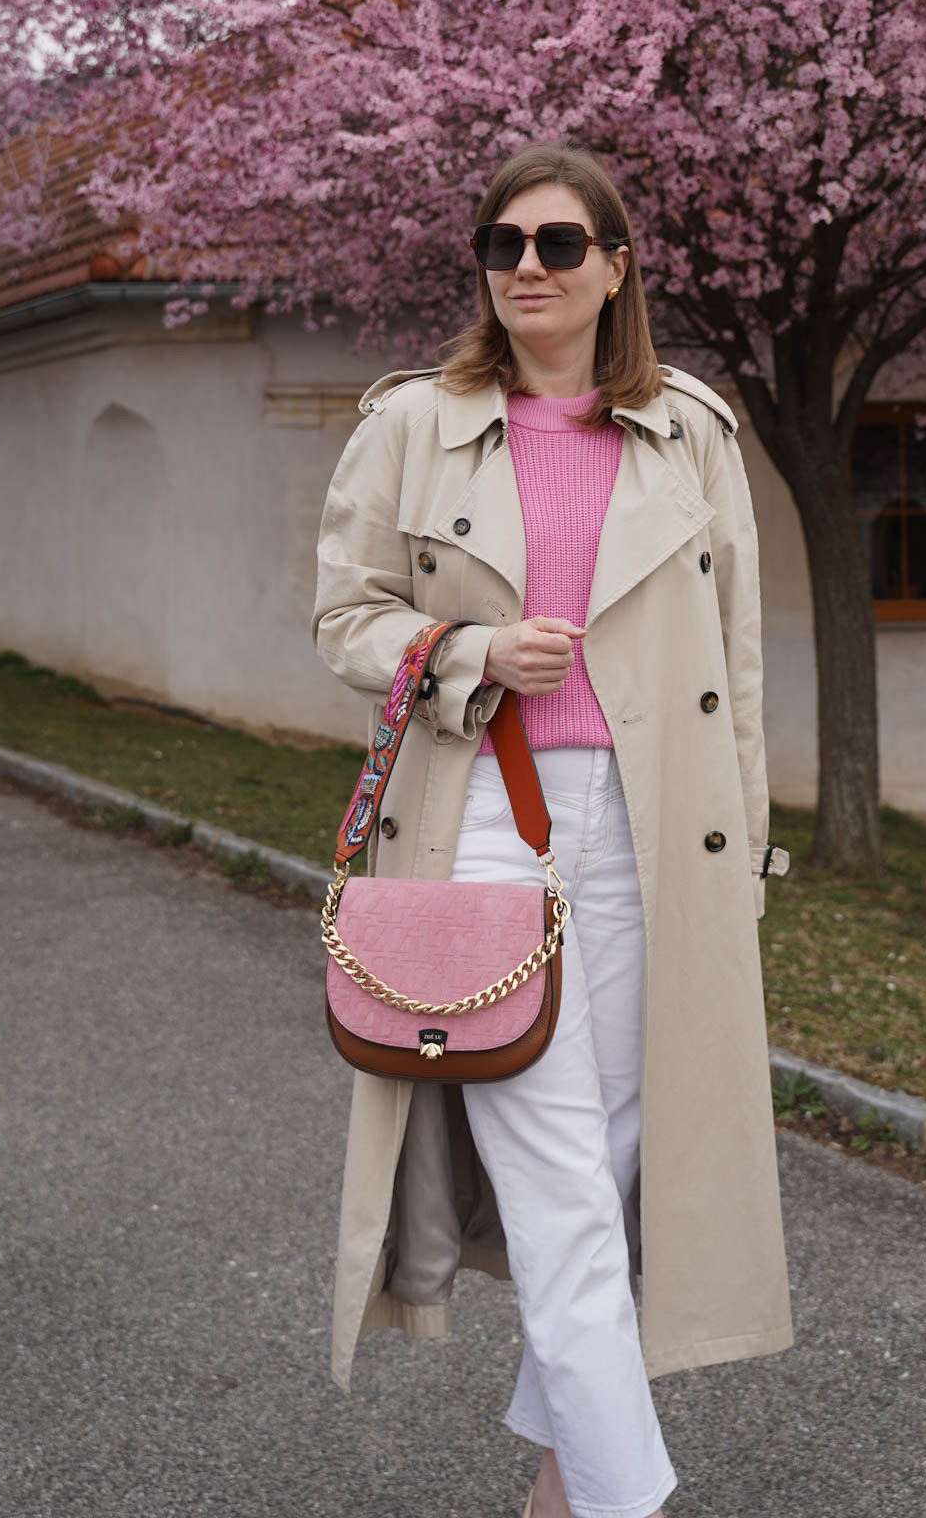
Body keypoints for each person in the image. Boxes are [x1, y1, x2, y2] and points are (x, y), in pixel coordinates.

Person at [313, 141, 793, 1518]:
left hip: (657, 834)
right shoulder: (412, 421)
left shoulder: (689, 427)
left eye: (558, 244)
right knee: (560, 1167)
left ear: (613, 267)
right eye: (502, 243)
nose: (526, 267)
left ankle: (556, 1477)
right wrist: (466, 649)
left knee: (621, 1150)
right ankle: (627, 1499)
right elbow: (344, 617)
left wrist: (743, 868)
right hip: (481, 825)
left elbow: (736, 665)